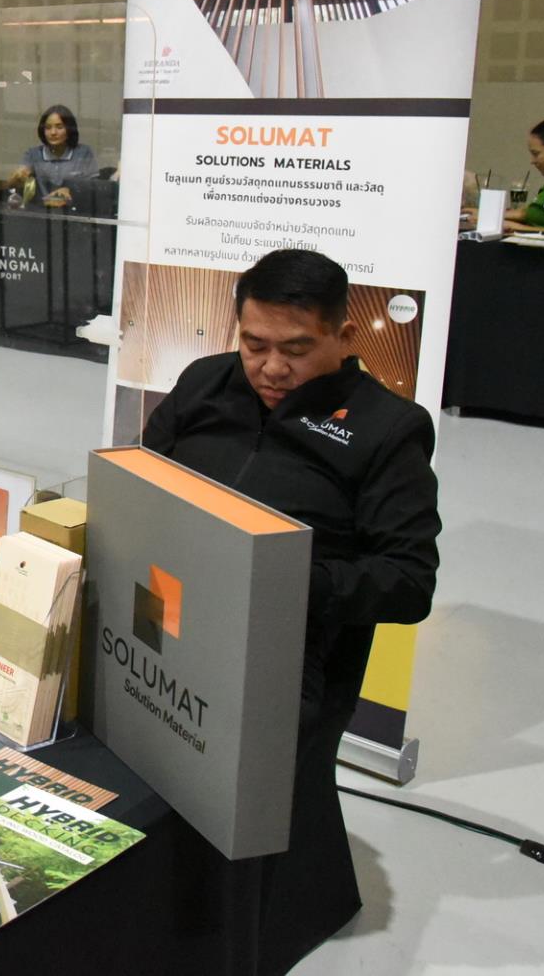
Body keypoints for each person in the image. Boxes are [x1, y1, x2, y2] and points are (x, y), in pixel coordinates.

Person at [141, 249, 439, 976]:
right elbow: (145, 479)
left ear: (343, 336)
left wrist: (287, 578)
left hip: (291, 645)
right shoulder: (205, 381)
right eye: (255, 344)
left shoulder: (389, 428)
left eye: (297, 349)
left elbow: (408, 582)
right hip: (166, 606)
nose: (271, 368)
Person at [10, 105, 97, 203]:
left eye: (59, 127)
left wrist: (71, 190)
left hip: (75, 209)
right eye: (48, 128)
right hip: (41, 209)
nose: (53, 132)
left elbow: (93, 187)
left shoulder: (83, 152)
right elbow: (16, 181)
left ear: (69, 129)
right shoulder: (33, 154)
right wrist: (19, 176)